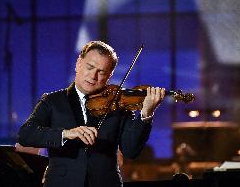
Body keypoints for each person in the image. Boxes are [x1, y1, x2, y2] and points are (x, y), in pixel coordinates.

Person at [17, 40, 165, 187]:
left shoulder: (118, 105)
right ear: (78, 64)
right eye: (90, 67)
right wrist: (66, 133)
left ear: (110, 75)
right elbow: (25, 135)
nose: (93, 76)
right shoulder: (52, 101)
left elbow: (131, 151)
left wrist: (146, 113)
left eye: (101, 72)